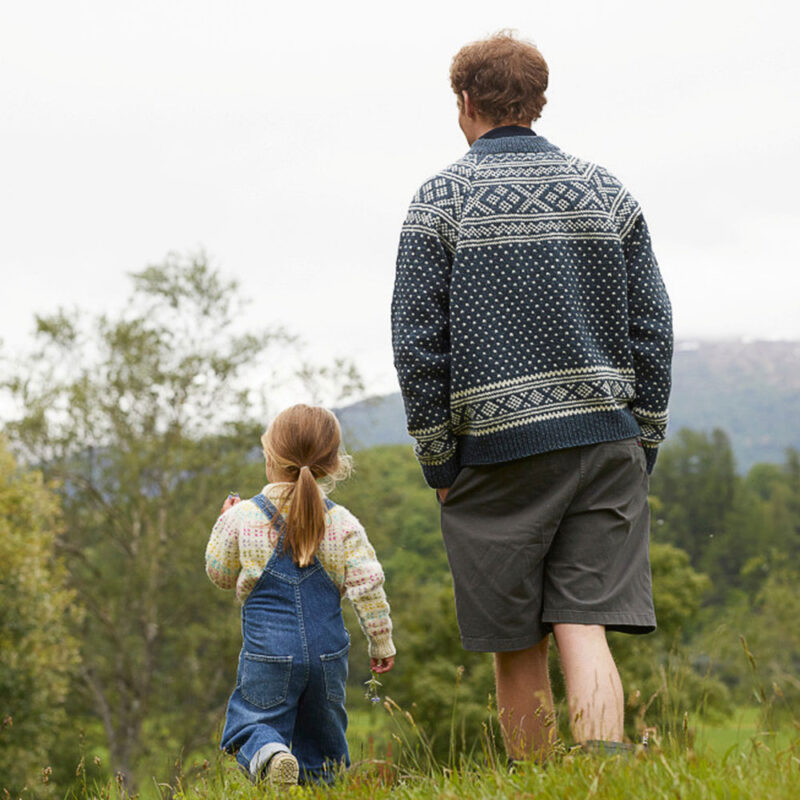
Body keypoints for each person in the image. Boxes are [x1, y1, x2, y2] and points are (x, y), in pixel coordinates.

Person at [391, 32, 673, 761]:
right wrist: (642, 437)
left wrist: (439, 465)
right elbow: (654, 325)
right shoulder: (607, 190)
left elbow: (417, 342)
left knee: (516, 642)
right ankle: (606, 778)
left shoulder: (439, 200)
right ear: (538, 100)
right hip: (606, 442)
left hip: (495, 456)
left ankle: (540, 782)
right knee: (586, 624)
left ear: (465, 102)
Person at [205, 404, 395, 786]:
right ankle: (319, 785)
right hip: (328, 656)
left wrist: (223, 520)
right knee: (324, 749)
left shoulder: (243, 517)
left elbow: (221, 575)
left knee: (251, 726)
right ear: (333, 464)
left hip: (269, 653)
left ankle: (272, 756)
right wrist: (381, 643)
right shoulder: (342, 522)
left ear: (271, 457)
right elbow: (368, 587)